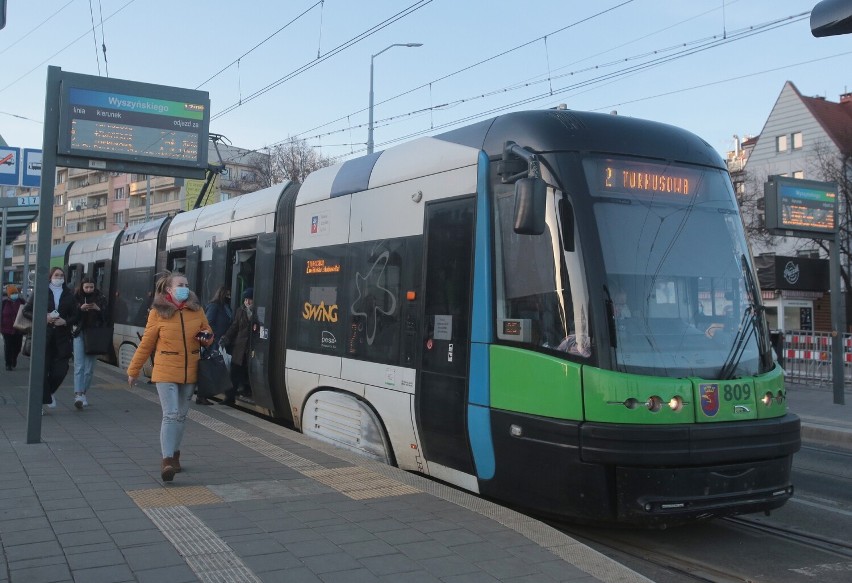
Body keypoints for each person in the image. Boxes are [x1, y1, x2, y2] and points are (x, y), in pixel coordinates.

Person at [126, 272, 214, 482]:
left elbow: (208, 333)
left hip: (190, 371)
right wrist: (133, 370)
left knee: (182, 415)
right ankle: (166, 461)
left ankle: (175, 455)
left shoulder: (196, 309)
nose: (185, 287)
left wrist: (206, 337)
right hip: (165, 370)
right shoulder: (157, 312)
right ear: (169, 289)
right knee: (171, 413)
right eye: (180, 284)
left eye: (186, 284)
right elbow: (147, 343)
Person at [23, 267, 80, 411]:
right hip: (44, 338)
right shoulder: (41, 291)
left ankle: (48, 394)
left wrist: (65, 321)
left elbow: (76, 315)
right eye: (56, 275)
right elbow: (26, 311)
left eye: (61, 275)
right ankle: (41, 402)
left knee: (61, 370)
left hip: (62, 339)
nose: (59, 277)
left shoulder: (69, 294)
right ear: (50, 277)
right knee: (42, 371)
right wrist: (44, 318)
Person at [71, 277, 107, 409]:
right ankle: (78, 394)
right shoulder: (76, 297)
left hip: (94, 335)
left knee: (89, 368)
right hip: (79, 333)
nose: (89, 290)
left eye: (91, 287)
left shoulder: (100, 298)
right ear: (82, 287)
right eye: (86, 287)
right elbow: (71, 316)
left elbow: (107, 317)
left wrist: (98, 309)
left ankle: (84, 392)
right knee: (79, 366)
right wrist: (80, 309)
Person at [220, 287, 255, 405]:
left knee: (248, 372)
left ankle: (247, 390)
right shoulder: (240, 310)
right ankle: (229, 397)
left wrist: (251, 313)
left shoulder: (256, 312)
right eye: (246, 299)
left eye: (250, 299)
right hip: (240, 347)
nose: (247, 302)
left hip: (252, 348)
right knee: (234, 372)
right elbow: (234, 327)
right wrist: (226, 337)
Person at [199, 286, 233, 405]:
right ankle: (202, 395)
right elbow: (207, 324)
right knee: (210, 370)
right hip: (213, 343)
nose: (229, 296)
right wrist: (208, 343)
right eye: (227, 294)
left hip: (221, 343)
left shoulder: (226, 307)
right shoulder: (214, 306)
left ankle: (206, 395)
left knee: (217, 370)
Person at [1, 284, 26, 371]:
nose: (14, 294)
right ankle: (8, 364)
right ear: (8, 294)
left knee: (18, 347)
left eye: (15, 292)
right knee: (8, 346)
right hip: (6, 329)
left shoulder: (22, 301)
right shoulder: (4, 303)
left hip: (19, 329)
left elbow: (26, 313)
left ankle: (14, 358)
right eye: (12, 293)